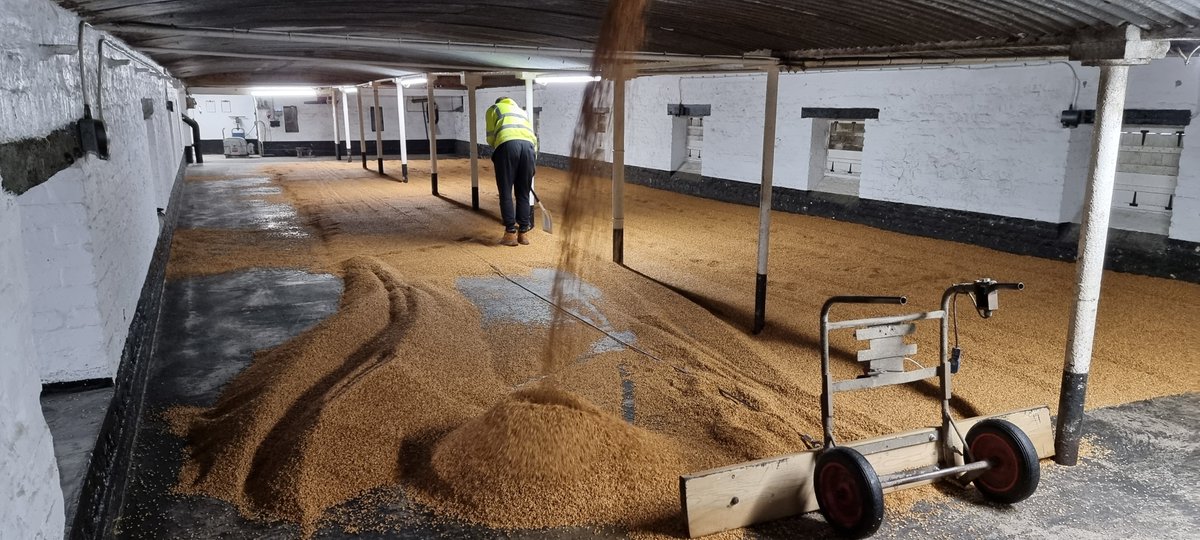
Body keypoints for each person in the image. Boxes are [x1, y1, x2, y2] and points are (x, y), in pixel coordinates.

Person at [486, 97, 538, 246]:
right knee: (523, 193)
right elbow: (533, 138)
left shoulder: (494, 108)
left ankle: (510, 233)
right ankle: (523, 233)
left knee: (505, 191)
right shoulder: (522, 112)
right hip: (529, 148)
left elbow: (490, 137)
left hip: (507, 145)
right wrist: (532, 164)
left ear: (499, 102)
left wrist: (499, 148)